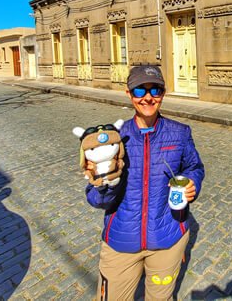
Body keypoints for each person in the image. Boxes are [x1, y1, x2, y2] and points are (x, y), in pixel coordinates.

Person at [85, 65, 205, 301]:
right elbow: (95, 199)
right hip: (121, 242)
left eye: (155, 90)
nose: (148, 97)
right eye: (140, 90)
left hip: (167, 240)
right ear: (129, 93)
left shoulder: (180, 132)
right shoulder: (114, 139)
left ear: (163, 93)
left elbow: (194, 167)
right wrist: (103, 184)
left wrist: (193, 183)